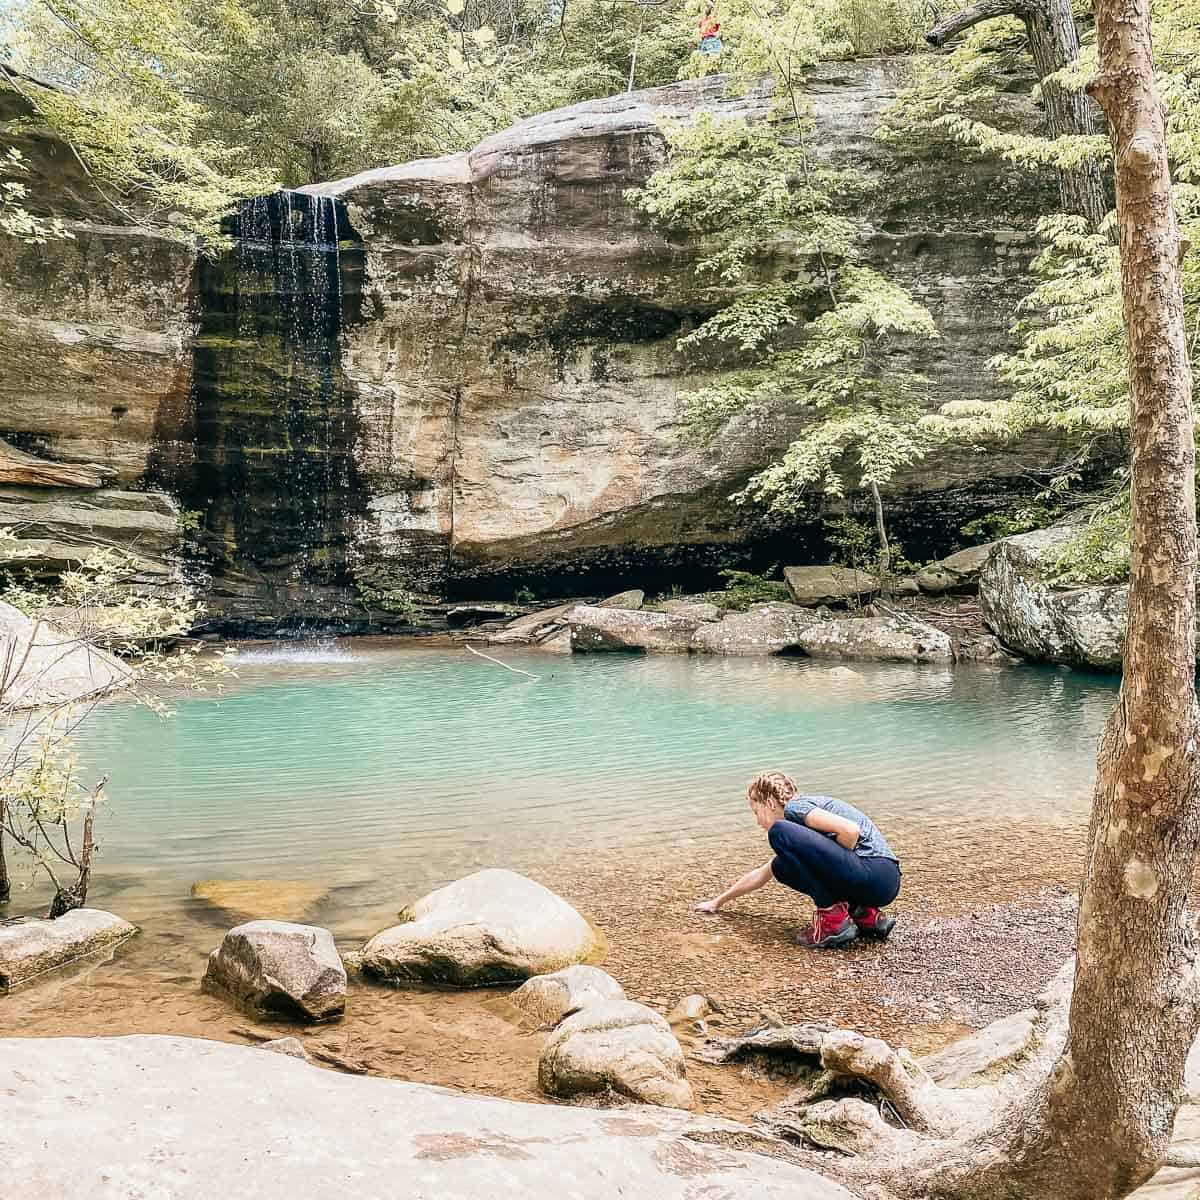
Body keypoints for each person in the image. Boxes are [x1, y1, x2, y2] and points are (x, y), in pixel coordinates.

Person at [692, 770, 901, 948]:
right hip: (883, 883)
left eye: (756, 812)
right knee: (781, 866)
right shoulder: (803, 831)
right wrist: (717, 902)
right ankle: (865, 916)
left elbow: (850, 831)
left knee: (778, 831)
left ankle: (832, 920)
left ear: (771, 802)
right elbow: (762, 874)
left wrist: (833, 873)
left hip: (873, 871)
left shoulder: (795, 808)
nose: (757, 821)